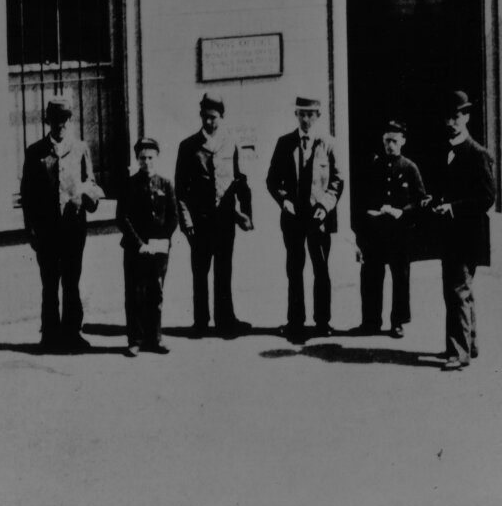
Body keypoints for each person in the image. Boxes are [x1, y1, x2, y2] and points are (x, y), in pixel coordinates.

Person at [20, 97, 103, 353]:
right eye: (56, 120)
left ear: (70, 120)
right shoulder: (35, 152)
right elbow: (28, 195)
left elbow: (90, 181)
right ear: (48, 121)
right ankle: (50, 337)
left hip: (73, 229)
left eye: (65, 119)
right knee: (49, 284)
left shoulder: (80, 148)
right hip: (46, 231)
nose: (61, 124)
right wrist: (31, 230)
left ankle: (72, 334)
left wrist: (87, 195)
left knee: (71, 281)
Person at [174, 93, 253, 337]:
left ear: (222, 116)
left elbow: (241, 181)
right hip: (200, 222)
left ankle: (225, 321)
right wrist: (186, 221)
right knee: (200, 271)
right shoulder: (188, 146)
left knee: (224, 270)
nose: (209, 122)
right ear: (201, 116)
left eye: (214, 117)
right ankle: (200, 322)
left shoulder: (231, 143)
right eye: (205, 117)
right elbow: (180, 190)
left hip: (225, 220)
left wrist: (246, 213)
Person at [266, 95, 344, 342]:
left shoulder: (329, 144)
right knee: (294, 269)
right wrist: (284, 200)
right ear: (296, 115)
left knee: (321, 269)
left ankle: (323, 322)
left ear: (318, 116)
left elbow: (337, 181)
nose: (306, 119)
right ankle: (296, 322)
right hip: (293, 219)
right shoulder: (284, 143)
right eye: (302, 114)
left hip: (319, 219)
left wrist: (325, 206)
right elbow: (272, 180)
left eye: (310, 114)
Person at [428, 90, 495, 371]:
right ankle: (469, 344)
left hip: (467, 236)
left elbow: (487, 197)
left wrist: (453, 208)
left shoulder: (477, 153)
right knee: (458, 291)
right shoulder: (447, 151)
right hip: (451, 235)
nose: (452, 122)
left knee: (458, 291)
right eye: (448, 117)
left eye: (457, 116)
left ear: (466, 117)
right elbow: (446, 189)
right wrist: (434, 201)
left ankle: (459, 353)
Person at [352, 120, 424, 338]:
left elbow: (420, 200)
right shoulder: (373, 167)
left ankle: (398, 322)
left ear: (403, 141)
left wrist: (401, 212)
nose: (389, 145)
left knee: (400, 277)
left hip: (399, 232)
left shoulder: (409, 167)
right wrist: (361, 232)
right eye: (386, 141)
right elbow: (361, 200)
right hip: (374, 232)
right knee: (371, 275)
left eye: (394, 141)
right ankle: (370, 321)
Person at [117, 137, 179, 357]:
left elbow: (173, 216)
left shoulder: (166, 184)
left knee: (156, 293)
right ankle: (135, 340)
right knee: (135, 294)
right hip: (136, 249)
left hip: (159, 249)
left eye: (151, 157)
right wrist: (140, 244)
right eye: (142, 158)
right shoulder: (130, 184)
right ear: (137, 159)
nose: (147, 162)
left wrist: (163, 240)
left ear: (157, 158)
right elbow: (122, 218)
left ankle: (156, 338)